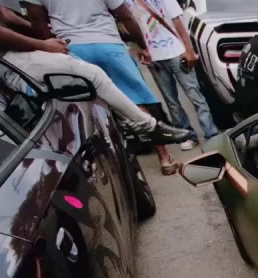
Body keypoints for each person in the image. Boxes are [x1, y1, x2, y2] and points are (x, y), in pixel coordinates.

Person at [0, 0, 189, 145]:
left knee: (70, 90)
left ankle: (129, 124)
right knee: (91, 75)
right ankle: (148, 127)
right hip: (1, 57)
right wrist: (45, 45)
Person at [23, 0, 182, 173]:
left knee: (87, 106)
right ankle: (165, 158)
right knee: (136, 101)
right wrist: (143, 46)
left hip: (72, 48)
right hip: (109, 45)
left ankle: (102, 167)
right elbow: (125, 16)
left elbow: (37, 23)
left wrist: (54, 47)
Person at [129, 0, 220, 152]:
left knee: (195, 96)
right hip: (154, 58)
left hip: (177, 52)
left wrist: (189, 50)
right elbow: (133, 26)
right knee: (171, 101)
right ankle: (187, 135)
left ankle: (211, 135)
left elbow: (177, 21)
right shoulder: (128, 2)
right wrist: (141, 48)